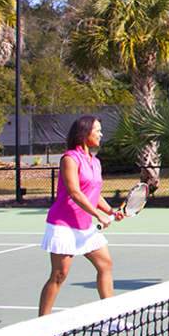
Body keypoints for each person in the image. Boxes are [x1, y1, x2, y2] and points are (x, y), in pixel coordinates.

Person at [39, 116, 122, 315]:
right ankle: (40, 324)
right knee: (59, 275)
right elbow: (75, 192)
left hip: (85, 226)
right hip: (64, 225)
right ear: (84, 133)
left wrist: (109, 211)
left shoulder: (95, 162)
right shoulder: (69, 159)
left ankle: (109, 317)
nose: (101, 134)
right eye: (97, 130)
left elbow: (93, 192)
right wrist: (98, 216)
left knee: (105, 264)